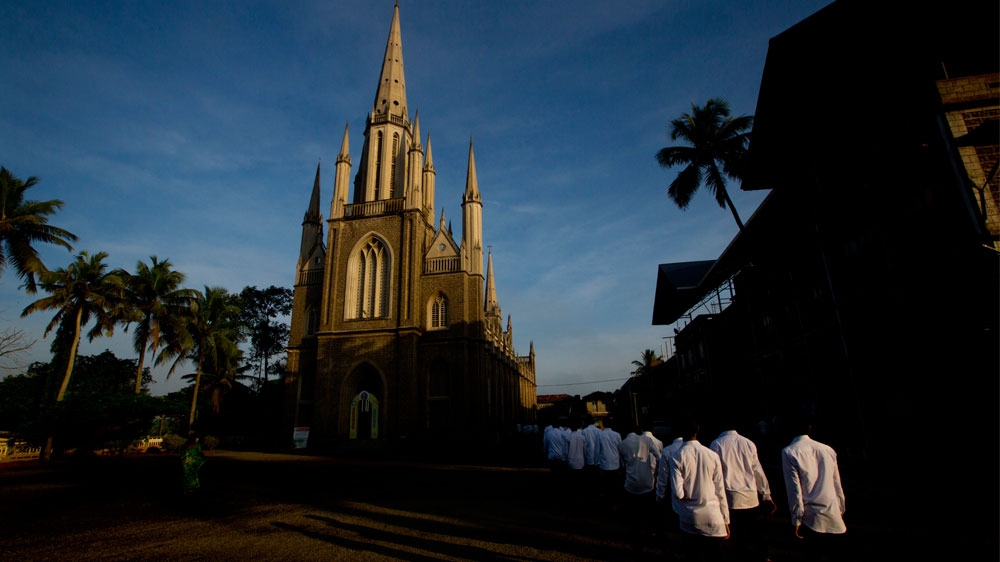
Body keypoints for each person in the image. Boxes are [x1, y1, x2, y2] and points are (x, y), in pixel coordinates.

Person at [781, 418, 847, 561]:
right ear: (809, 428)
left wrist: (796, 519)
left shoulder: (789, 452)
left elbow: (795, 491)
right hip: (833, 512)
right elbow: (837, 484)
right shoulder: (827, 449)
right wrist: (840, 509)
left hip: (812, 517)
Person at [710, 425, 776, 561]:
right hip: (750, 495)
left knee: (737, 533)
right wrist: (766, 494)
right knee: (755, 530)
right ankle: (764, 555)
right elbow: (757, 470)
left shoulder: (716, 444)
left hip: (730, 496)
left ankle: (740, 555)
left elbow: (715, 474)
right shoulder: (748, 443)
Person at [668, 419, 730, 561]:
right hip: (713, 516)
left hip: (689, 517)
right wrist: (726, 519)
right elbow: (720, 490)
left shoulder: (676, 456)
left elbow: (678, 493)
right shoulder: (712, 455)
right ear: (698, 430)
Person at [618, 425, 662, 555]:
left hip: (631, 484)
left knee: (634, 514)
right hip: (648, 482)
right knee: (650, 510)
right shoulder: (646, 440)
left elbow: (622, 464)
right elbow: (659, 457)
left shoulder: (622, 444)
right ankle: (652, 532)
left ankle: (636, 538)